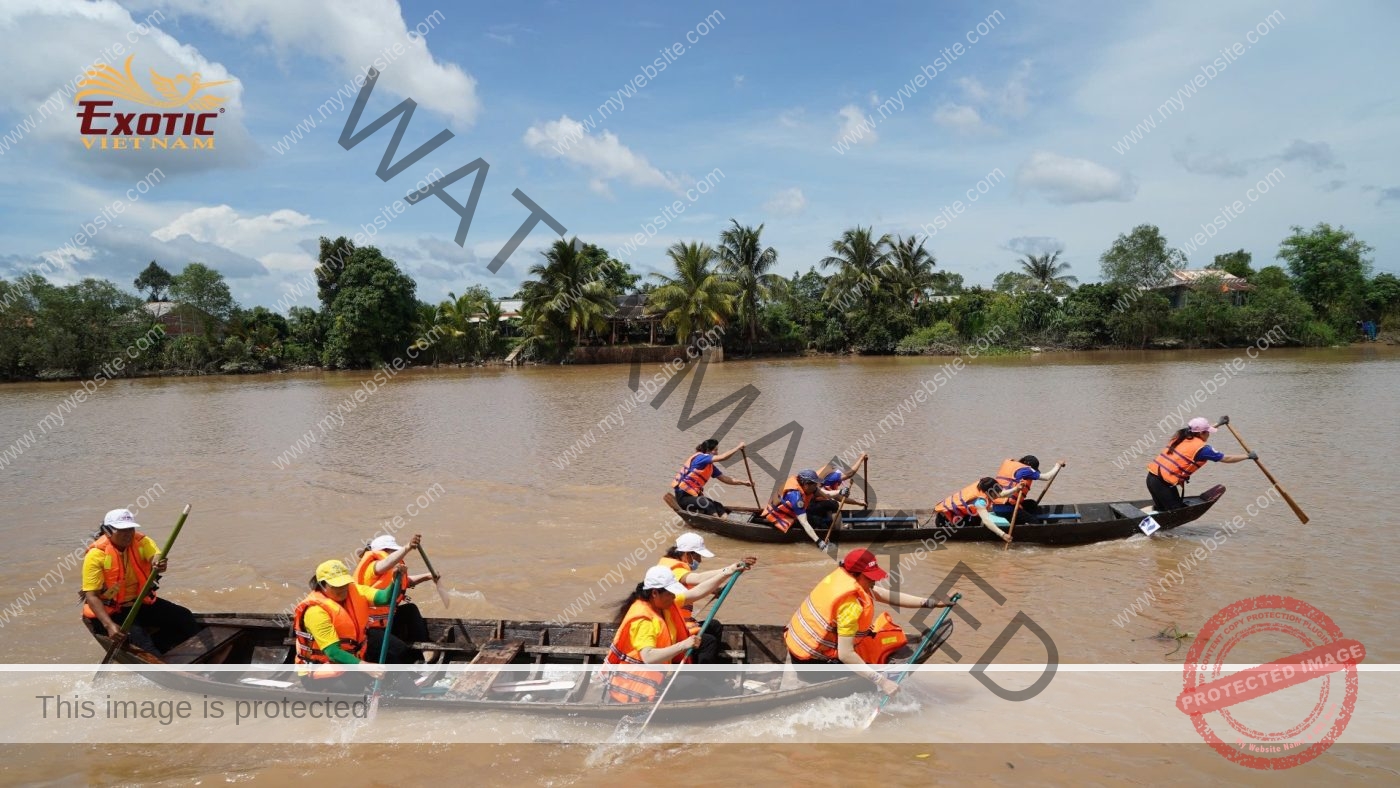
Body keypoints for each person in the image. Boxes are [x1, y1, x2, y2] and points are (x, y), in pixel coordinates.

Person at [784, 548, 956, 695]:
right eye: (869, 577)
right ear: (856, 574)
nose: (874, 580)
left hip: (797, 652)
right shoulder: (849, 606)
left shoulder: (842, 579)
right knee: (869, 681)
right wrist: (882, 682)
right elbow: (845, 655)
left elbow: (882, 594)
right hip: (812, 667)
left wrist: (929, 603)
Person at [604, 562, 751, 704]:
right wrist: (683, 645)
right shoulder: (644, 621)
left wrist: (729, 572)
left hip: (657, 676)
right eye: (671, 593)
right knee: (696, 684)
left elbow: (696, 592)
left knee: (699, 681)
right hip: (639, 690)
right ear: (655, 593)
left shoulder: (661, 603)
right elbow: (648, 657)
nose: (674, 597)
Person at [81, 508, 201, 655]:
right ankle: (158, 659)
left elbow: (156, 556)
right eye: (122, 530)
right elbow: (91, 596)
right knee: (144, 647)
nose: (128, 534)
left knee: (185, 616)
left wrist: (159, 563)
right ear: (108, 531)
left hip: (140, 602)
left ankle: (193, 654)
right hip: (114, 611)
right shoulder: (95, 555)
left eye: (130, 529)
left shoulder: (141, 541)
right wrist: (109, 626)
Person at [293, 559, 414, 693]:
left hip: (353, 660)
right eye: (336, 585)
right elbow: (333, 652)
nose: (342, 589)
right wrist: (365, 667)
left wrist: (394, 581)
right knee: (355, 684)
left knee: (394, 665)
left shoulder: (355, 590)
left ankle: (409, 696)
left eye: (344, 583)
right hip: (322, 668)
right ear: (322, 585)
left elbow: (384, 598)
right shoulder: (315, 611)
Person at [353, 533, 438, 664]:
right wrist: (407, 547)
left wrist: (428, 576)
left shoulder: (391, 568)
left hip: (386, 620)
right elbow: (386, 562)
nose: (397, 555)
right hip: (370, 628)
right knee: (400, 650)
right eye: (394, 551)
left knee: (410, 609)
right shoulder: (374, 566)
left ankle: (425, 647)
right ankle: (406, 672)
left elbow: (405, 582)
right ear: (384, 551)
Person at [657, 532, 757, 636]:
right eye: (698, 556)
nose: (700, 560)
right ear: (687, 554)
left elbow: (697, 586)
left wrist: (714, 589)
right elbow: (698, 579)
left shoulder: (672, 566)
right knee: (709, 641)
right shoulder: (673, 569)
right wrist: (730, 569)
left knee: (715, 625)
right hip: (673, 628)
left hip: (681, 623)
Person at [1146, 417, 1254, 511]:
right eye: (1208, 432)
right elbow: (1227, 458)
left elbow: (1200, 430)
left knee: (1163, 510)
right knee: (1176, 512)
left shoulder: (1182, 436)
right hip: (1162, 484)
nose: (1209, 434)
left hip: (1152, 477)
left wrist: (1219, 423)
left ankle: (1154, 531)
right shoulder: (1203, 449)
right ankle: (1146, 531)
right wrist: (1247, 456)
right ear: (1202, 433)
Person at [673, 438, 755, 516]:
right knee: (707, 504)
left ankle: (725, 521)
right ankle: (718, 523)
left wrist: (744, 483)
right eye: (715, 450)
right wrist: (738, 447)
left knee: (718, 506)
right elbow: (723, 457)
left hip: (693, 496)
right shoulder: (701, 458)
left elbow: (725, 479)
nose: (717, 453)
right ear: (708, 451)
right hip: (683, 497)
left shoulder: (710, 467)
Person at [753, 469, 830, 546]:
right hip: (781, 520)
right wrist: (818, 541)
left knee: (817, 515)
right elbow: (804, 522)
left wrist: (840, 492)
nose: (816, 487)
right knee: (817, 521)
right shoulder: (795, 496)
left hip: (787, 513)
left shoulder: (804, 487)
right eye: (814, 485)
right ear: (806, 485)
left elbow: (828, 494)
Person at [934, 476, 1013, 541]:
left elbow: (1001, 494)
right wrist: (1003, 534)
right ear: (990, 492)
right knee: (978, 520)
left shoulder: (982, 486)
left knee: (977, 517)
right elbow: (986, 521)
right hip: (944, 522)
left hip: (948, 515)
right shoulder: (980, 501)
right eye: (996, 492)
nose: (998, 495)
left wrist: (1016, 489)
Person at [990, 455, 1065, 522]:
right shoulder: (1026, 470)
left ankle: (1024, 518)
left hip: (996, 506)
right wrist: (1058, 465)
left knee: (1031, 504)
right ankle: (1027, 521)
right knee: (1035, 522)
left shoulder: (1011, 465)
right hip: (1008, 509)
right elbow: (1047, 477)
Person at [807, 454, 867, 524]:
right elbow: (850, 474)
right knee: (833, 504)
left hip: (814, 507)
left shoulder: (825, 482)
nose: (839, 483)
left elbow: (840, 498)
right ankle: (823, 522)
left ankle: (827, 521)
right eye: (839, 481)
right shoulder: (827, 480)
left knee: (831, 504)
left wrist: (859, 503)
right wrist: (861, 458)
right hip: (809, 508)